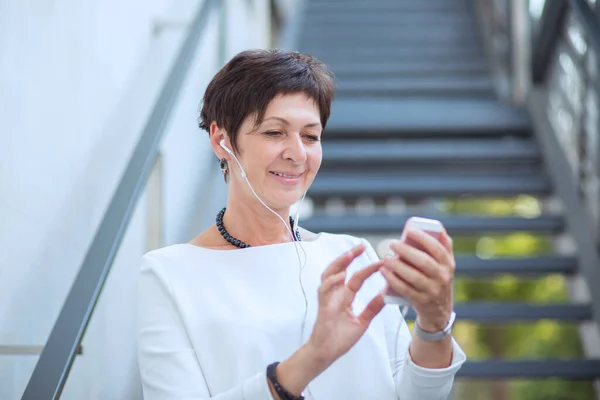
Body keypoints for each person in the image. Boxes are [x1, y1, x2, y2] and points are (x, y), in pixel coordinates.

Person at [137, 49, 466, 400]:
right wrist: (312, 357)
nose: (298, 154)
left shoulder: (353, 257)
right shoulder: (169, 275)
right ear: (221, 140)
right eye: (275, 132)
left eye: (311, 136)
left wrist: (434, 324)